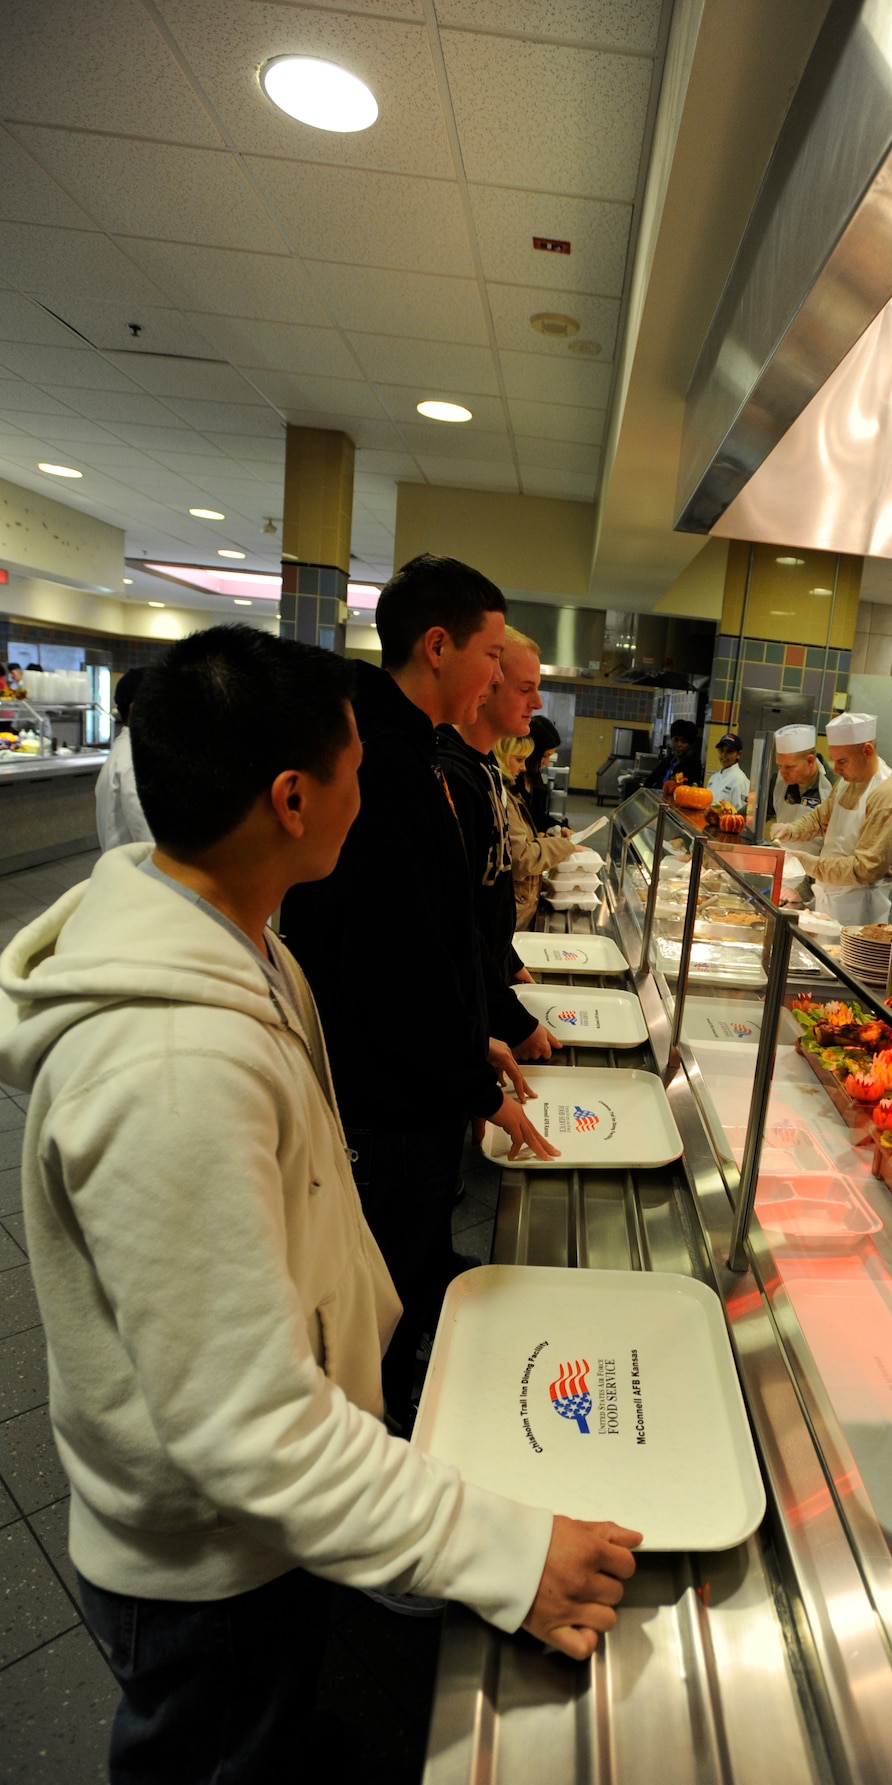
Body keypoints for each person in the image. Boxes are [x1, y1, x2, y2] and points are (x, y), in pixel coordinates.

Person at [0, 623, 641, 1785]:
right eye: (354, 770)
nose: (367, 793)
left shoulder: (242, 939)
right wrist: (503, 1549)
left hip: (265, 1532)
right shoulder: (169, 1069)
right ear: (291, 799)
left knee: (268, 1757)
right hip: (206, 1559)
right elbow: (248, 1430)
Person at [281, 558, 557, 1429]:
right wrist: (472, 1080)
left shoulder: (409, 751)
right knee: (382, 1292)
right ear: (438, 646)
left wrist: (476, 1038)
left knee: (407, 1269)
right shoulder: (385, 761)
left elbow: (432, 935)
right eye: (491, 655)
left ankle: (394, 1411)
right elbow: (393, 962)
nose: (498, 678)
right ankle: (378, 1436)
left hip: (409, 1079)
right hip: (386, 1102)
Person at [436, 625, 559, 1059]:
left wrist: (507, 959)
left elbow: (490, 885)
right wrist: (511, 1020)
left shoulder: (486, 767)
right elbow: (453, 920)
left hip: (484, 983)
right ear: (489, 684)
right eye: (525, 689)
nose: (538, 703)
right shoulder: (451, 775)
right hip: (462, 1003)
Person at [776, 712, 892, 925]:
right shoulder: (847, 782)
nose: (836, 769)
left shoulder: (888, 796)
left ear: (867, 751)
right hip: (828, 900)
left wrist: (812, 865)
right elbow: (820, 818)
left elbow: (865, 868)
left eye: (842, 761)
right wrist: (791, 830)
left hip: (859, 912)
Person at [497, 733, 576, 928]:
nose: (523, 767)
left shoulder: (513, 788)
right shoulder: (503, 794)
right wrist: (564, 846)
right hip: (514, 909)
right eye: (519, 759)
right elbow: (521, 858)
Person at [94, 665, 154, 851]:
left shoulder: (131, 752)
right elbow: (153, 843)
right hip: (138, 868)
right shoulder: (134, 763)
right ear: (136, 709)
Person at [766, 721, 832, 832]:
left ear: (810, 761)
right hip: (782, 842)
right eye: (779, 766)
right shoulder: (776, 782)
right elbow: (753, 813)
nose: (783, 772)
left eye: (789, 767)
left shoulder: (833, 785)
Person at [623, 717, 703, 799]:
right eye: (676, 740)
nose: (679, 745)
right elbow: (650, 780)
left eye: (684, 741)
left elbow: (688, 791)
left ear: (690, 744)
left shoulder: (692, 763)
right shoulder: (669, 760)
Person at [523, 713, 563, 827]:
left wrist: (561, 827)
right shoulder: (511, 781)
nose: (547, 762)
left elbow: (539, 817)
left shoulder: (535, 776)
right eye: (545, 756)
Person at [706, 731, 751, 810]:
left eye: (729, 751)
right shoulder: (714, 778)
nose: (724, 755)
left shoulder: (740, 780)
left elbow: (740, 813)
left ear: (738, 754)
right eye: (721, 750)